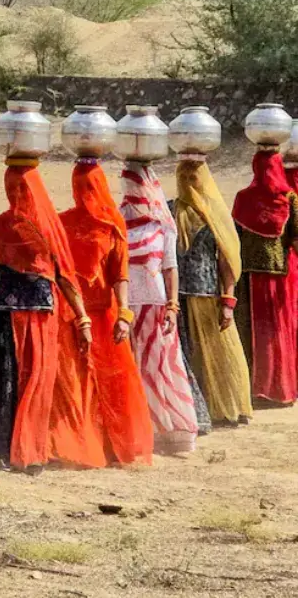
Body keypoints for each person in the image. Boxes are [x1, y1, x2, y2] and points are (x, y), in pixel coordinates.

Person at [0, 156, 91, 474]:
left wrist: (83, 319)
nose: (17, 193)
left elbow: (65, 276)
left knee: (28, 381)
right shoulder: (2, 225)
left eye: (22, 188)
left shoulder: (42, 228)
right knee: (11, 381)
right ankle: (13, 452)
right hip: (13, 317)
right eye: (13, 187)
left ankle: (26, 452)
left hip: (30, 317)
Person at [58, 160, 153, 466]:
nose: (85, 192)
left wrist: (124, 314)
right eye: (80, 186)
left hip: (103, 314)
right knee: (77, 379)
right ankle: (86, 443)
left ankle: (113, 443)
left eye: (90, 186)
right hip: (70, 313)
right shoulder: (62, 222)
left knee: (112, 380)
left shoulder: (112, 225)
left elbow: (119, 274)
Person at [121, 162, 198, 455]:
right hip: (125, 306)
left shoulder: (162, 225)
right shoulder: (118, 219)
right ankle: (136, 429)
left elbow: (170, 267)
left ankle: (168, 429)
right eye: (127, 184)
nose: (131, 190)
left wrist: (172, 306)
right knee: (131, 366)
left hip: (154, 305)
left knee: (159, 367)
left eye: (135, 184)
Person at [173, 159, 252, 427]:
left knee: (220, 352)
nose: (188, 183)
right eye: (184, 178)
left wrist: (228, 300)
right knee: (187, 353)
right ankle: (197, 409)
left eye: (193, 178)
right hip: (177, 295)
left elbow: (226, 260)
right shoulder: (170, 210)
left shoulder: (215, 214)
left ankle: (229, 406)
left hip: (208, 294)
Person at [232, 150, 298, 406]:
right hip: (278, 275)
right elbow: (295, 239)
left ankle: (254, 389)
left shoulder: (242, 198)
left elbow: (234, 235)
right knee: (275, 330)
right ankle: (280, 389)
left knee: (251, 328)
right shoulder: (289, 199)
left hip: (247, 274)